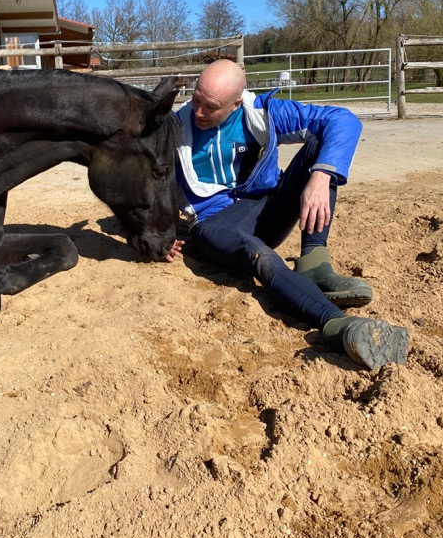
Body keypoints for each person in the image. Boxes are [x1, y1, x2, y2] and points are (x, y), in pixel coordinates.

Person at [165, 59, 409, 370]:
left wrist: (321, 176)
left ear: (237, 102)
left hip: (264, 209)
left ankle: (313, 264)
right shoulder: (174, 126)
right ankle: (338, 325)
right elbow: (141, 180)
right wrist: (159, 232)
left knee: (319, 147)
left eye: (210, 106)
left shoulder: (263, 113)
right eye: (196, 99)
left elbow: (343, 120)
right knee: (259, 255)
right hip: (214, 225)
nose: (199, 111)